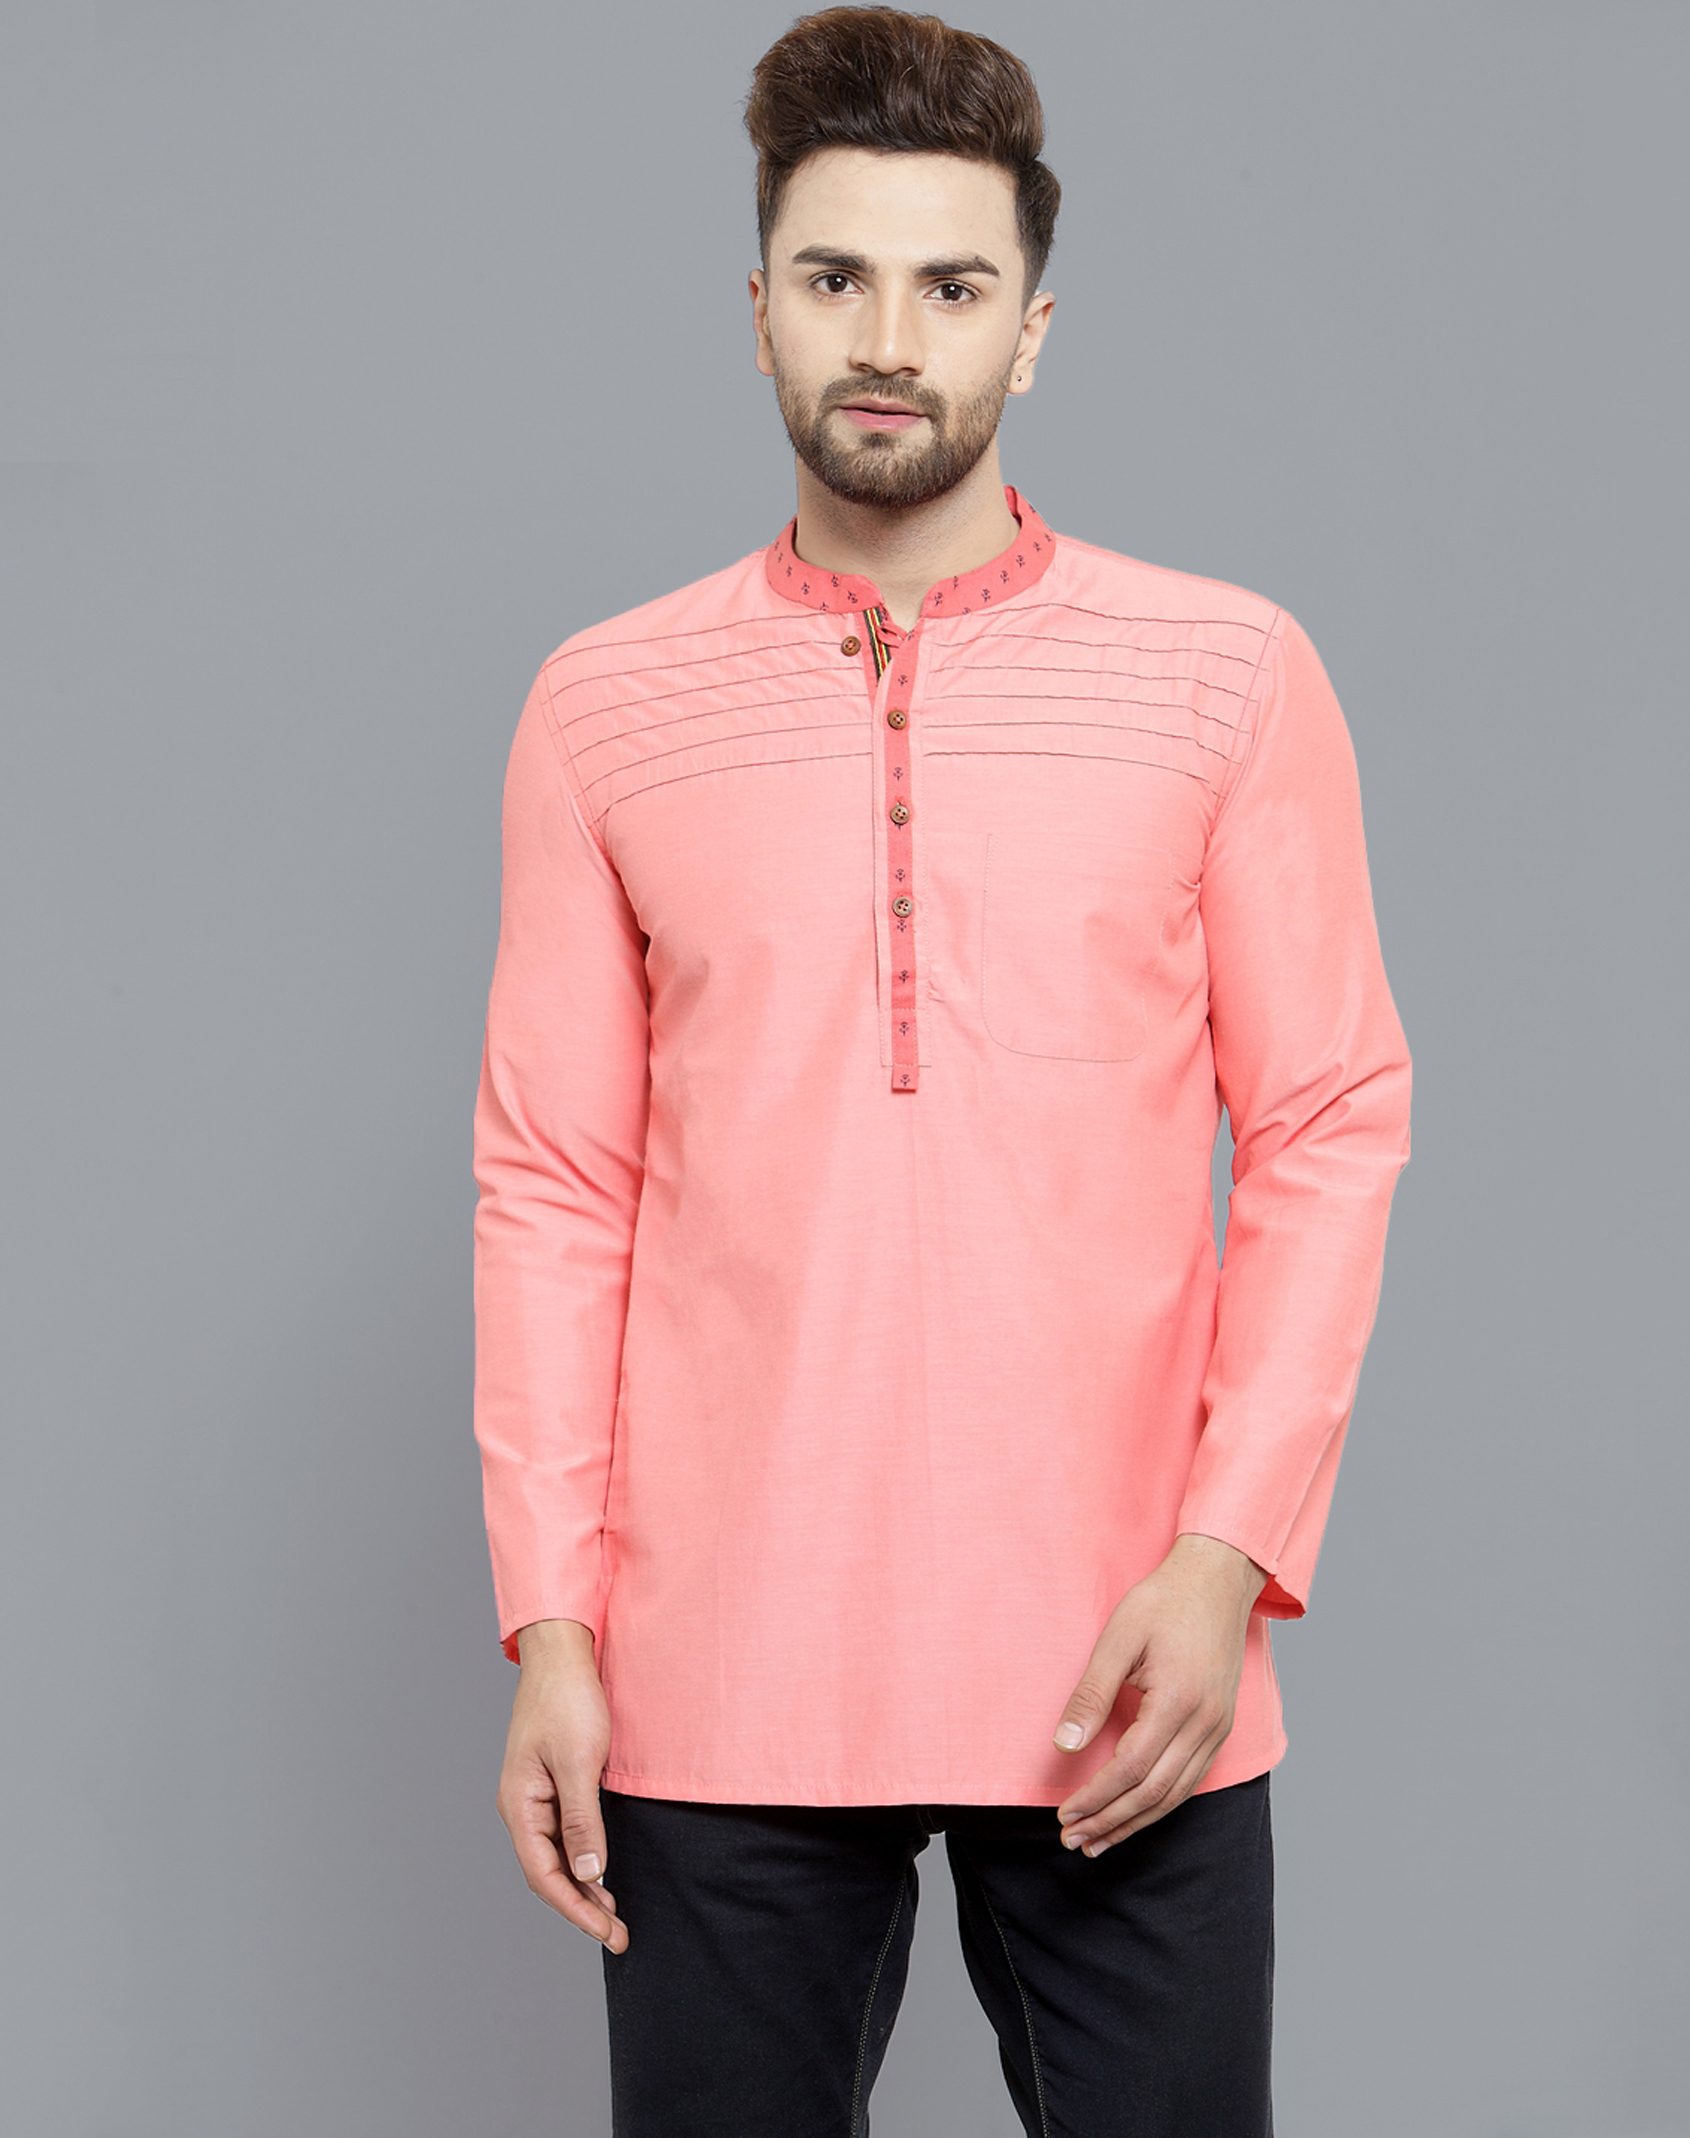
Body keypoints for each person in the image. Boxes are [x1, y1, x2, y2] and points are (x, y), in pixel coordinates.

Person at [472, 8, 1411, 2132]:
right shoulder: (603, 707)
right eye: (837, 277)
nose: (889, 339)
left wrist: (1229, 1557)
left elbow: (1328, 1121)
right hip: (718, 1673)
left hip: (1128, 1660)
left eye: (952, 286)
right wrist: (552, 1625)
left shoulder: (1226, 675)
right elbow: (554, 1180)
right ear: (759, 308)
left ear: (1033, 329)